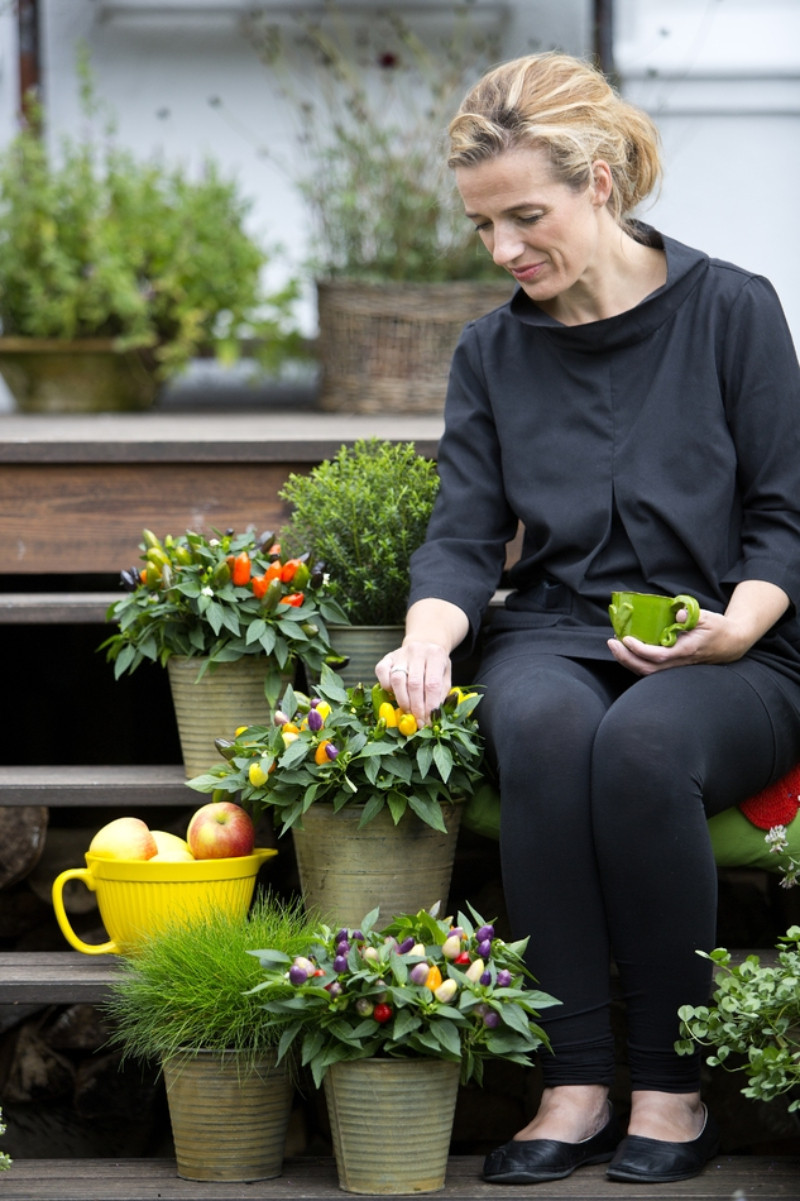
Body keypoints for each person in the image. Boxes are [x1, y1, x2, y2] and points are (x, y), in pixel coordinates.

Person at [375, 51, 800, 1186]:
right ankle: (569, 1081)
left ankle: (669, 1086)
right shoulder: (491, 351)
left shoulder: (732, 312)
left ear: (599, 180)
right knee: (548, 729)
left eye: (525, 215)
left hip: (734, 647)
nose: (504, 249)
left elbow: (782, 517)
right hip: (554, 629)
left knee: (647, 741)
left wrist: (738, 627)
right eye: (482, 226)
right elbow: (464, 536)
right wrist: (426, 636)